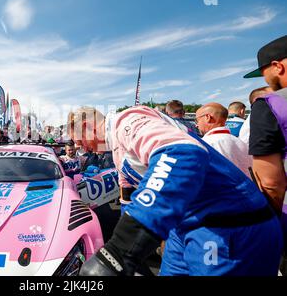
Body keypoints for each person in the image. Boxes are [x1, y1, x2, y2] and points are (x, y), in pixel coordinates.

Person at [67, 106, 283, 276]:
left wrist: (120, 250)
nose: (80, 147)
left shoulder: (126, 120)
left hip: (230, 225)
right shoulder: (116, 150)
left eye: (77, 140)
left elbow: (182, 154)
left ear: (86, 126)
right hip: (187, 229)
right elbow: (128, 195)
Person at [243, 35, 287, 217]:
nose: (265, 80)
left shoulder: (271, 103)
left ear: (278, 66)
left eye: (264, 73)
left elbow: (270, 182)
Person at [195, 103, 252, 178]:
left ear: (207, 117)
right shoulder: (241, 143)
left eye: (197, 120)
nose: (196, 125)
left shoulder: (205, 144)